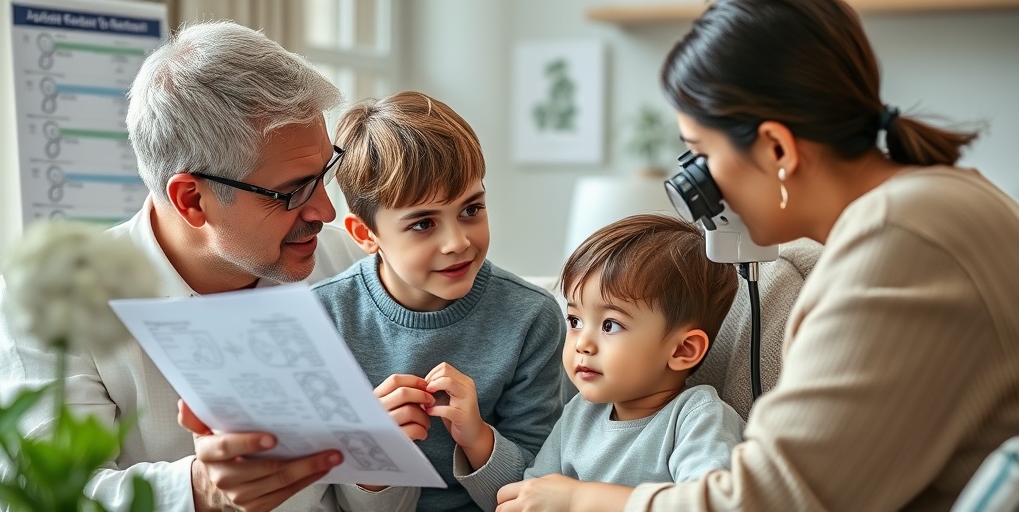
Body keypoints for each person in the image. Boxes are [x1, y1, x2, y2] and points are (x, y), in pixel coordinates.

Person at [496, 0, 1019, 510]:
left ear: (776, 149)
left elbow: (770, 500)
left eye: (702, 155)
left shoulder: (901, 242)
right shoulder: (927, 209)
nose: (700, 189)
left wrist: (581, 499)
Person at [0, 20, 366, 512]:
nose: (326, 210)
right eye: (294, 191)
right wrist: (198, 491)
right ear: (191, 199)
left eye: (325, 173)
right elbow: (45, 497)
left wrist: (377, 473)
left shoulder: (352, 266)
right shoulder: (51, 301)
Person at [311, 91, 566, 512]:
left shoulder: (532, 318)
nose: (458, 242)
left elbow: (539, 490)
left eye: (471, 209)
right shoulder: (324, 319)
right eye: (424, 223)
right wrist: (375, 454)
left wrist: (479, 438)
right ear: (364, 235)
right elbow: (328, 497)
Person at [522, 213, 744, 487]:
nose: (582, 344)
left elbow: (710, 502)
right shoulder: (579, 413)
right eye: (575, 321)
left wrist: (578, 498)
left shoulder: (697, 417)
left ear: (682, 350)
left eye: (610, 325)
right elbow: (533, 490)